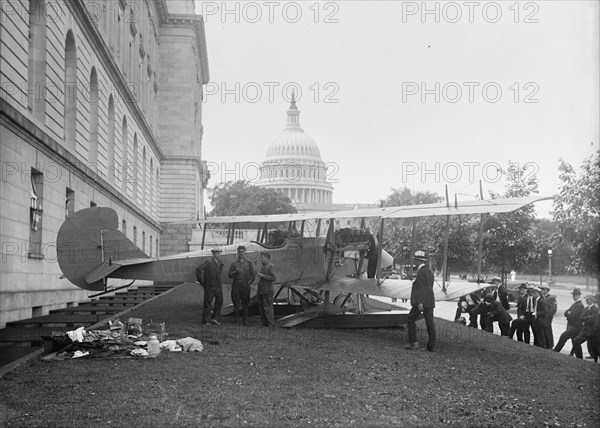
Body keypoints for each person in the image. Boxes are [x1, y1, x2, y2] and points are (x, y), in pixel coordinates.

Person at [406, 251, 436, 352]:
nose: (414, 261)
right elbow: (429, 287)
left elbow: (422, 288)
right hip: (430, 301)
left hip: (422, 301)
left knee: (410, 319)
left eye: (415, 259)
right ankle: (430, 346)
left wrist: (420, 302)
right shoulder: (429, 272)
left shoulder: (421, 272)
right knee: (430, 323)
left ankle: (413, 342)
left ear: (418, 261)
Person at [195, 248, 224, 326]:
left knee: (220, 300)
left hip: (218, 286)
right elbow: (198, 269)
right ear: (213, 254)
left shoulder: (220, 262)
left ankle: (215, 318)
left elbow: (220, 270)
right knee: (208, 303)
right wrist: (202, 281)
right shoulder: (208, 262)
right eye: (216, 253)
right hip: (209, 286)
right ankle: (206, 320)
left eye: (219, 253)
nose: (218, 255)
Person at [228, 245, 256, 325]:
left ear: (245, 252)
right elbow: (229, 275)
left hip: (245, 284)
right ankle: (236, 319)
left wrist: (249, 282)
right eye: (239, 251)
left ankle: (245, 320)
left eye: (242, 251)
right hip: (236, 283)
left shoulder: (249, 263)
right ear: (237, 252)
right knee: (236, 303)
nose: (241, 253)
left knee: (245, 303)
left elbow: (253, 274)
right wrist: (235, 272)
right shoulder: (233, 263)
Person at [554, 288, 585, 357]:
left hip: (575, 326)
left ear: (579, 295)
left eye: (576, 295)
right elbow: (565, 312)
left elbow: (573, 316)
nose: (574, 296)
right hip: (572, 326)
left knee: (563, 336)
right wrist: (569, 313)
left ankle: (555, 351)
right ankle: (579, 357)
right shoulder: (574, 304)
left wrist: (569, 313)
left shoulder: (580, 305)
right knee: (575, 342)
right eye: (573, 295)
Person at [572, 294, 599, 361]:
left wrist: (585, 318)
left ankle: (595, 360)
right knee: (576, 341)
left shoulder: (596, 309)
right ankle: (579, 358)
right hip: (585, 330)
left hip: (592, 331)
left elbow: (593, 319)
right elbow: (580, 317)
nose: (586, 301)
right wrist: (588, 317)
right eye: (586, 299)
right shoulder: (586, 308)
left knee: (594, 347)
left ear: (592, 300)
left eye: (587, 299)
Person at [256, 251, 277, 327]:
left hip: (268, 291)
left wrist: (263, 276)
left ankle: (271, 324)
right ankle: (265, 324)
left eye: (262, 257)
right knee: (262, 308)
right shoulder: (263, 266)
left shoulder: (270, 266)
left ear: (267, 258)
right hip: (262, 291)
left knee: (268, 308)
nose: (260, 259)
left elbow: (273, 278)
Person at [539, 284, 557, 349]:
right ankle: (545, 344)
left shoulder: (551, 298)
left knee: (547, 330)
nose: (542, 291)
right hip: (542, 317)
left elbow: (553, 309)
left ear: (547, 290)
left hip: (547, 317)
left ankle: (549, 345)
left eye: (543, 289)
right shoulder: (542, 297)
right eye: (541, 289)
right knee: (543, 331)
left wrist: (548, 316)